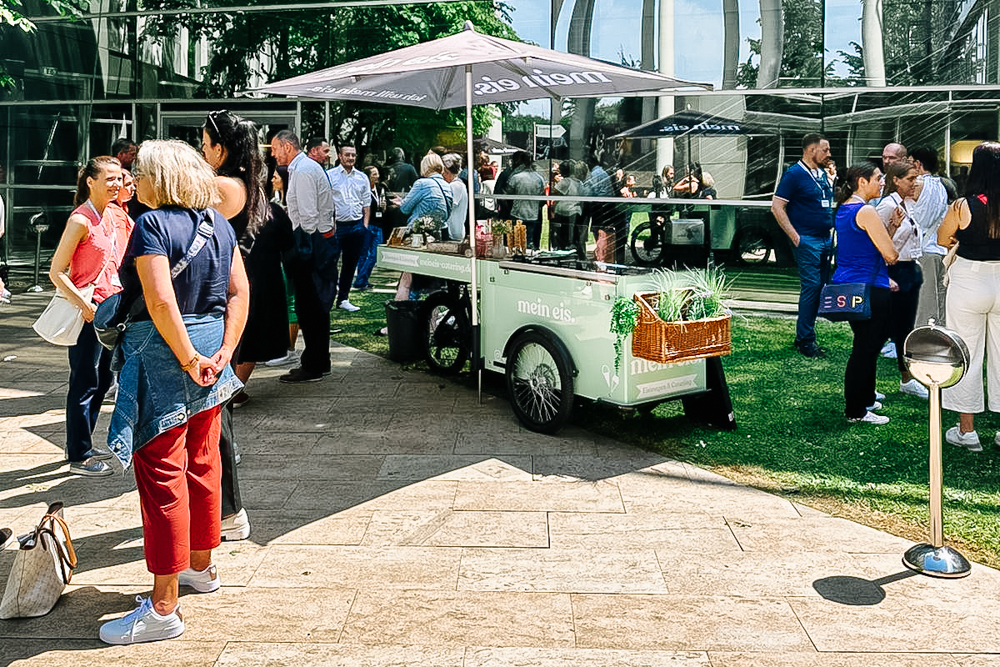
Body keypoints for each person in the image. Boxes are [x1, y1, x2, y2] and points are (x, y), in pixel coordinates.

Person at [99, 139, 249, 645]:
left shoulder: (151, 225)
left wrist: (188, 357)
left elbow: (161, 301)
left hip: (167, 354)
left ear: (160, 178)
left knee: (162, 473)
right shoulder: (219, 223)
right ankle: (201, 567)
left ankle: (163, 607)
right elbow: (239, 292)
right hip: (210, 349)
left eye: (138, 172)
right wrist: (223, 351)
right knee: (204, 461)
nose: (132, 180)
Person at [201, 109, 267, 541]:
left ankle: (228, 510)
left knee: (215, 408)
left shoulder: (224, 187)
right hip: (228, 294)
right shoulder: (242, 182)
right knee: (216, 408)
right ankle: (223, 508)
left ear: (221, 149)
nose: (200, 151)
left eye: (204, 144)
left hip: (222, 299)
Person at [48, 156, 125, 476]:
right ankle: (79, 455)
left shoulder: (112, 215)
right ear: (90, 181)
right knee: (84, 380)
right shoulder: (81, 220)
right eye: (110, 179)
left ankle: (82, 442)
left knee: (104, 378)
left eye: (119, 178)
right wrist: (84, 305)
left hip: (111, 308)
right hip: (88, 312)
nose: (117, 184)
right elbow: (56, 271)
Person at [937, 142, 1000, 452]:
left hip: (969, 280)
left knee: (967, 353)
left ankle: (967, 431)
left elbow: (942, 238)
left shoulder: (963, 205)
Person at [831, 163, 898, 425]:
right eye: (878, 178)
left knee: (866, 345)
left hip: (851, 286)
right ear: (862, 181)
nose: (882, 182)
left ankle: (866, 398)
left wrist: (890, 228)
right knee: (865, 349)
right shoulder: (866, 211)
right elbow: (890, 254)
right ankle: (856, 410)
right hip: (869, 288)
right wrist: (891, 239)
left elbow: (867, 248)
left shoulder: (844, 208)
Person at [269, 130, 336, 383]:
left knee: (310, 306)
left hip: (310, 244)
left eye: (275, 148)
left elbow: (307, 217)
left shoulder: (304, 170)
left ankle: (314, 364)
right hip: (313, 242)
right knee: (312, 305)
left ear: (287, 147)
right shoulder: (302, 168)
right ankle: (319, 360)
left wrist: (300, 249)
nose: (273, 154)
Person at [772, 133, 835, 358]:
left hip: (824, 237)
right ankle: (806, 340)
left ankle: (804, 335)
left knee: (819, 286)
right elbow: (777, 206)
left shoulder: (821, 174)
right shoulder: (794, 174)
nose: (829, 154)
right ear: (811, 150)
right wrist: (795, 236)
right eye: (825, 150)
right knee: (812, 286)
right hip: (807, 239)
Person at [875, 161, 928, 399]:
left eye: (916, 178)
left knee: (905, 327)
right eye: (910, 179)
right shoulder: (887, 206)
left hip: (909, 269)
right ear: (896, 180)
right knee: (888, 327)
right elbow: (877, 243)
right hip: (894, 271)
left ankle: (906, 378)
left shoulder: (909, 204)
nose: (915, 183)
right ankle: (871, 380)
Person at [326, 143, 371, 312]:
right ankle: (328, 298)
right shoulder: (330, 176)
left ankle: (343, 298)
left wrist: (365, 225)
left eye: (353, 155)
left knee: (350, 265)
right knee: (331, 264)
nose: (350, 158)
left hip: (356, 226)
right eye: (347, 155)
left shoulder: (362, 177)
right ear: (340, 156)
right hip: (337, 226)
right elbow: (325, 202)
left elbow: (366, 203)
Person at [910, 146, 950, 327]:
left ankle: (921, 336)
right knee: (940, 298)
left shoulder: (915, 185)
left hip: (923, 249)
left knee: (925, 301)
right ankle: (939, 333)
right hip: (940, 248)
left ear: (918, 164)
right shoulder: (942, 185)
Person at [354, 165, 388, 291]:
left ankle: (360, 279)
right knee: (364, 253)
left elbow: (383, 207)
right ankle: (363, 281)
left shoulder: (380, 189)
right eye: (374, 174)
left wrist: (384, 207)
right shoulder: (363, 190)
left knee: (374, 254)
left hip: (379, 225)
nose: (377, 176)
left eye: (377, 174)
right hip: (367, 224)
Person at [551, 160, 583, 252]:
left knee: (561, 235)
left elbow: (555, 192)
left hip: (564, 211)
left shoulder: (565, 181)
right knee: (572, 234)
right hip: (576, 210)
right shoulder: (579, 182)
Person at [442, 153, 469, 241]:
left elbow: (448, 206)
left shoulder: (455, 186)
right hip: (454, 231)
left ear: (448, 172)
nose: (442, 175)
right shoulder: (457, 184)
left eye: (444, 172)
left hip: (453, 232)